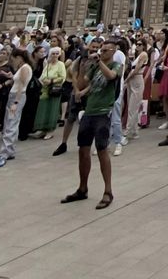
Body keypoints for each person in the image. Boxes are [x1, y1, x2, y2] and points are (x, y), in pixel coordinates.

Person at [61, 41, 120, 210]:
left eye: (105, 50)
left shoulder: (117, 65)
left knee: (102, 150)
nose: (101, 52)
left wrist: (99, 61)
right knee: (83, 149)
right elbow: (81, 85)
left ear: (113, 51)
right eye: (100, 50)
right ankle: (82, 188)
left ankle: (108, 191)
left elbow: (110, 76)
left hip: (104, 112)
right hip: (89, 111)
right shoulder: (93, 67)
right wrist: (82, 65)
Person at [0, 49, 33, 168]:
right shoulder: (22, 68)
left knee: (11, 124)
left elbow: (21, 86)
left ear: (19, 58)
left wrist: (16, 102)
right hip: (15, 96)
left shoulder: (25, 68)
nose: (13, 61)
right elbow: (16, 82)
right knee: (11, 123)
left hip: (17, 97)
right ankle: (9, 150)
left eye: (14, 58)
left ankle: (5, 153)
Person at [33, 47, 66, 139]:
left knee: (52, 109)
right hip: (45, 89)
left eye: (56, 53)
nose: (55, 55)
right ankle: (42, 129)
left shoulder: (61, 64)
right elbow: (43, 75)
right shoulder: (48, 64)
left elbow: (62, 77)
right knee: (43, 108)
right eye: (53, 53)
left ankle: (50, 130)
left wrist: (51, 81)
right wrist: (44, 81)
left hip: (54, 89)